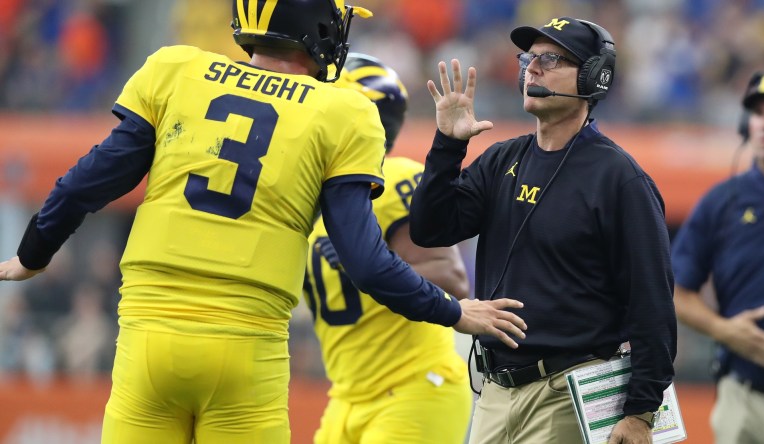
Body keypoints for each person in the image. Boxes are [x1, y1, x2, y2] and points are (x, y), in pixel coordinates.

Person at [0, 2, 527, 443]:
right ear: (317, 24)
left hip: (147, 336)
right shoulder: (343, 110)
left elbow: (84, 184)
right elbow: (366, 263)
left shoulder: (174, 69)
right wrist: (455, 313)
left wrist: (32, 255)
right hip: (246, 345)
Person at [409, 16, 677, 444]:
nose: (531, 69)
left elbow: (652, 301)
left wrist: (641, 410)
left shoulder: (619, 179)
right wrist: (447, 145)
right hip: (496, 389)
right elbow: (429, 228)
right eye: (528, 58)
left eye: (550, 59)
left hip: (571, 389)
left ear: (593, 77)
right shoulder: (502, 159)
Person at [304, 53, 472, 444]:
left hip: (411, 386)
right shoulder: (319, 191)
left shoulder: (395, 178)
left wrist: (367, 266)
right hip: (346, 394)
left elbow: (454, 278)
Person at [671, 71, 764, 444]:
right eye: (757, 113)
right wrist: (724, 331)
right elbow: (674, 289)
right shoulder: (724, 201)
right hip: (746, 399)